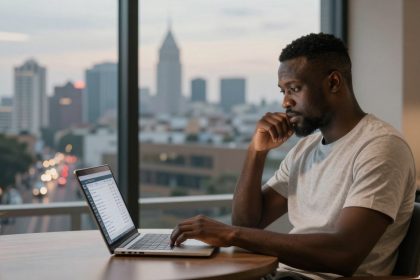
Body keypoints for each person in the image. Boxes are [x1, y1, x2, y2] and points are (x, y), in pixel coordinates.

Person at [170, 33, 417, 279]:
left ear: (333, 83)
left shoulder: (381, 148)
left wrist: (230, 234)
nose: (286, 102)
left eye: (294, 89)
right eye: (283, 91)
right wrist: (256, 152)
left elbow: (344, 254)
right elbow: (247, 223)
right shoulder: (305, 148)